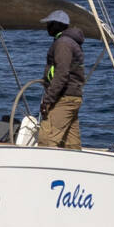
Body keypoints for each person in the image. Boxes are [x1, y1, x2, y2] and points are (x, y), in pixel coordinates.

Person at [38, 10, 85, 149]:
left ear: (57, 25)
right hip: (73, 97)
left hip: (63, 98)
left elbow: (61, 73)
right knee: (71, 144)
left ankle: (44, 163)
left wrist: (47, 100)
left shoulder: (63, 44)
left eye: (49, 24)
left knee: (47, 140)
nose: (47, 27)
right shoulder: (71, 42)